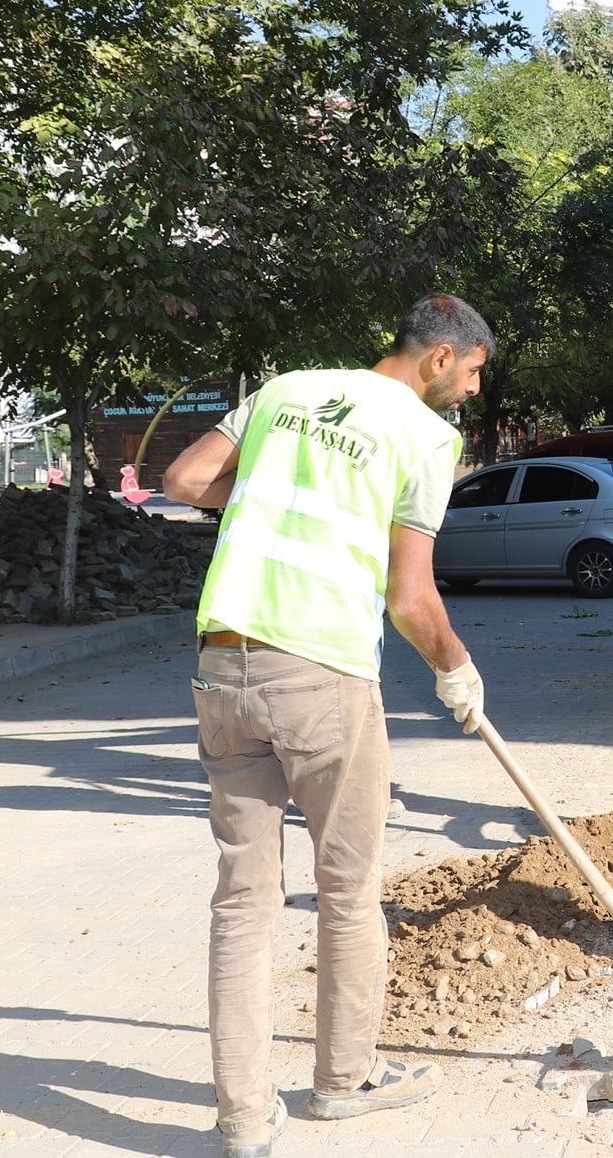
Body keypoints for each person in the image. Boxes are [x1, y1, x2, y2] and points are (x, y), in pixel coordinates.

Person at [161, 294, 494, 1158]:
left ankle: (243, 1121)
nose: (472, 390)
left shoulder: (282, 389)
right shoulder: (426, 438)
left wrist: (275, 490)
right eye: (473, 372)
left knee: (242, 902)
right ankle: (343, 1081)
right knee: (348, 890)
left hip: (221, 664)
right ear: (439, 358)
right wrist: (455, 671)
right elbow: (410, 596)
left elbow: (185, 480)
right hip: (322, 674)